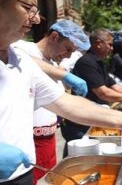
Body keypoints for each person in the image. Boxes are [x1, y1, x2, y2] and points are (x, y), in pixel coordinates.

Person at [0, 0, 122, 184]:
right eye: (27, 6)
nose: (36, 18)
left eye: (36, 9)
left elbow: (64, 103)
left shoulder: (20, 59)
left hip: (22, 175)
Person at [12, 19, 90, 184]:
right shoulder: (23, 48)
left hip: (49, 140)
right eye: (68, 49)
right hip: (28, 141)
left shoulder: (53, 63)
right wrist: (63, 74)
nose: (69, 55)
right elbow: (26, 60)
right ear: (54, 37)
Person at [61, 28, 122, 157]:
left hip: (91, 117)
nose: (111, 48)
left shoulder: (98, 62)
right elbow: (103, 93)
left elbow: (115, 86)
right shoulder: (87, 62)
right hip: (80, 122)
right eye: (109, 44)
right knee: (76, 156)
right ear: (98, 43)